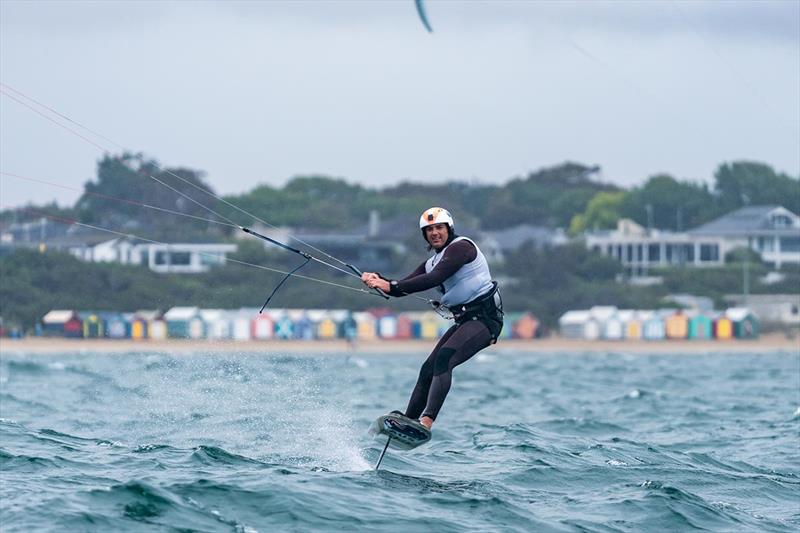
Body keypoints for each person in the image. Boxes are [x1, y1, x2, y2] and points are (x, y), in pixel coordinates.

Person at [361, 207, 503, 432]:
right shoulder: (432, 262)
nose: (435, 233)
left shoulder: (462, 248)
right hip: (465, 320)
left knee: (445, 359)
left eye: (439, 228)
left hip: (485, 319)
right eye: (429, 230)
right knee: (428, 369)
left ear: (449, 229)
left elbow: (435, 278)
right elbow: (400, 288)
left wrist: (391, 285)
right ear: (424, 235)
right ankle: (408, 421)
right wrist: (378, 280)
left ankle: (426, 422)